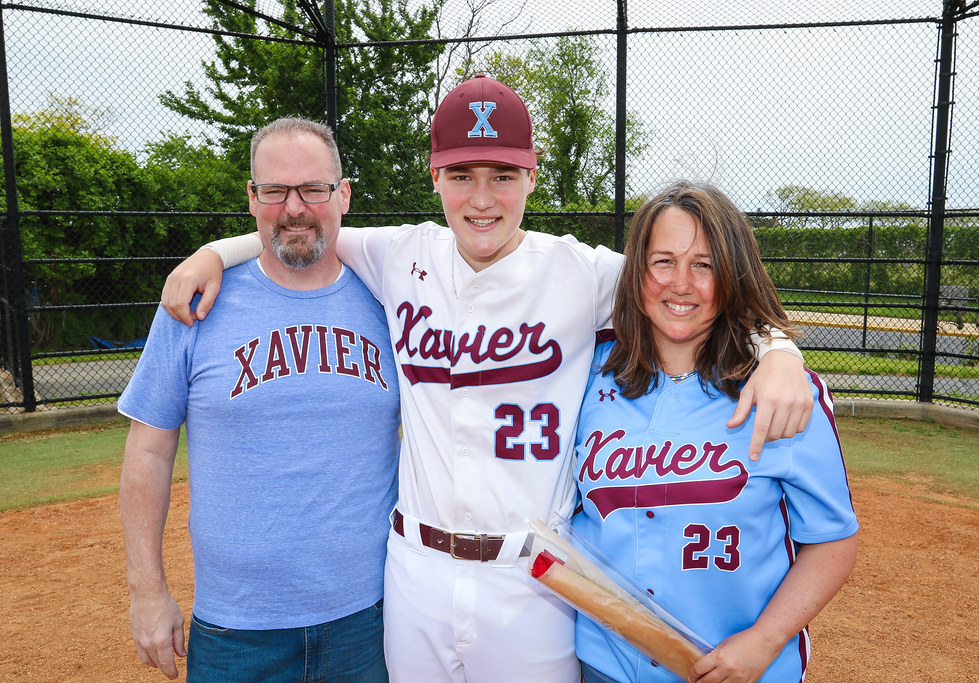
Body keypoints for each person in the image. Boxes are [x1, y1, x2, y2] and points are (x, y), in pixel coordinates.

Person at [159, 76, 813, 682]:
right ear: (435, 176)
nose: (481, 198)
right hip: (416, 575)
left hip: (533, 583)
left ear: (531, 176)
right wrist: (215, 252)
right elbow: (307, 225)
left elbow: (691, 288)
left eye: (502, 175)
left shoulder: (579, 271)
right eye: (461, 175)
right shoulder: (398, 253)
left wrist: (778, 347)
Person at [118, 117, 400, 681]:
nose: (294, 207)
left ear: (342, 194)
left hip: (370, 618)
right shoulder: (194, 303)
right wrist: (146, 590)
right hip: (236, 629)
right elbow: (148, 450)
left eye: (313, 189)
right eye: (275, 190)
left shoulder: (392, 298)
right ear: (253, 198)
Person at [570, 180, 859, 683]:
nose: (681, 283)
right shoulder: (586, 376)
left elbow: (832, 542)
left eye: (703, 265)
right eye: (663, 261)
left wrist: (764, 641)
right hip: (606, 663)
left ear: (732, 277)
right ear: (636, 274)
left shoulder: (783, 394)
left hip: (740, 668)